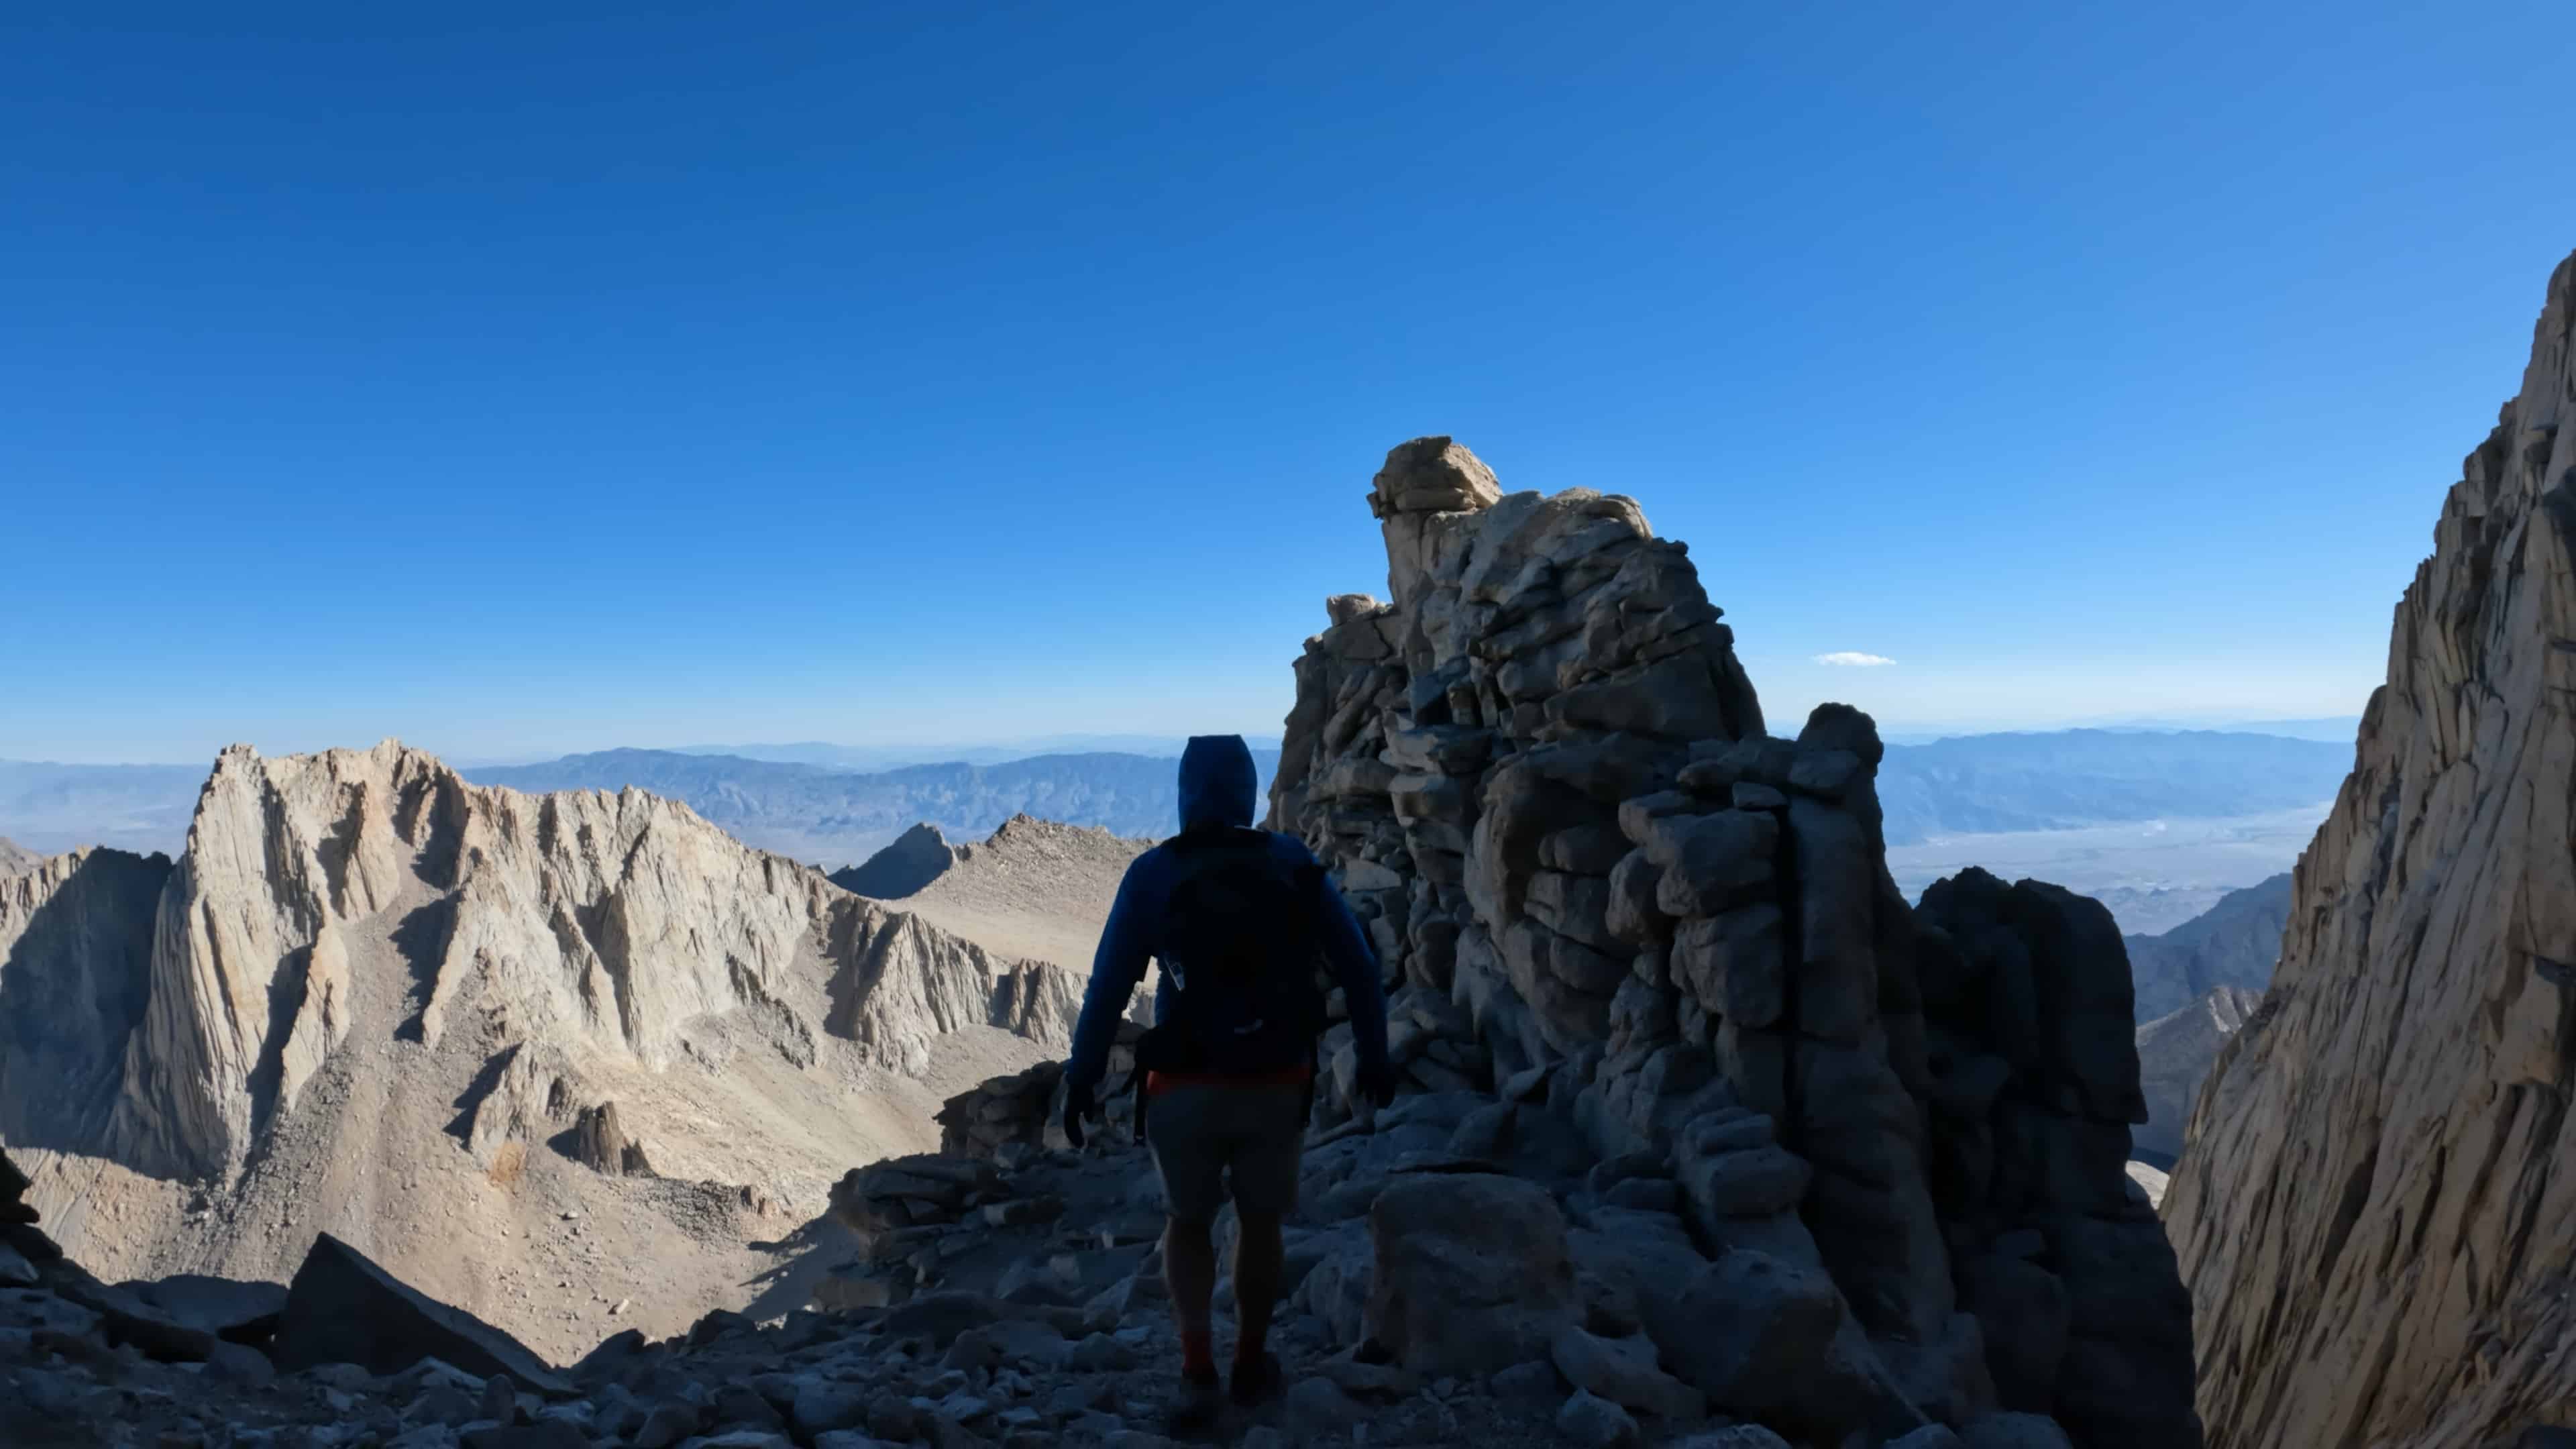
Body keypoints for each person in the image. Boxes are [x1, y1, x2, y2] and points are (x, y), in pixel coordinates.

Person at [1059, 733, 1395, 1429]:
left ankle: (1195, 1367)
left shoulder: (1155, 873)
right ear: (1247, 791)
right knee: (1261, 1221)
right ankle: (1249, 1360)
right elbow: (1359, 966)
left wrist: (1082, 1078)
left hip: (1183, 1086)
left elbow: (1106, 988)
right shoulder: (1292, 862)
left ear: (1185, 794)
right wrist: (1374, 1054)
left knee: (1188, 1222)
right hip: (1278, 1077)